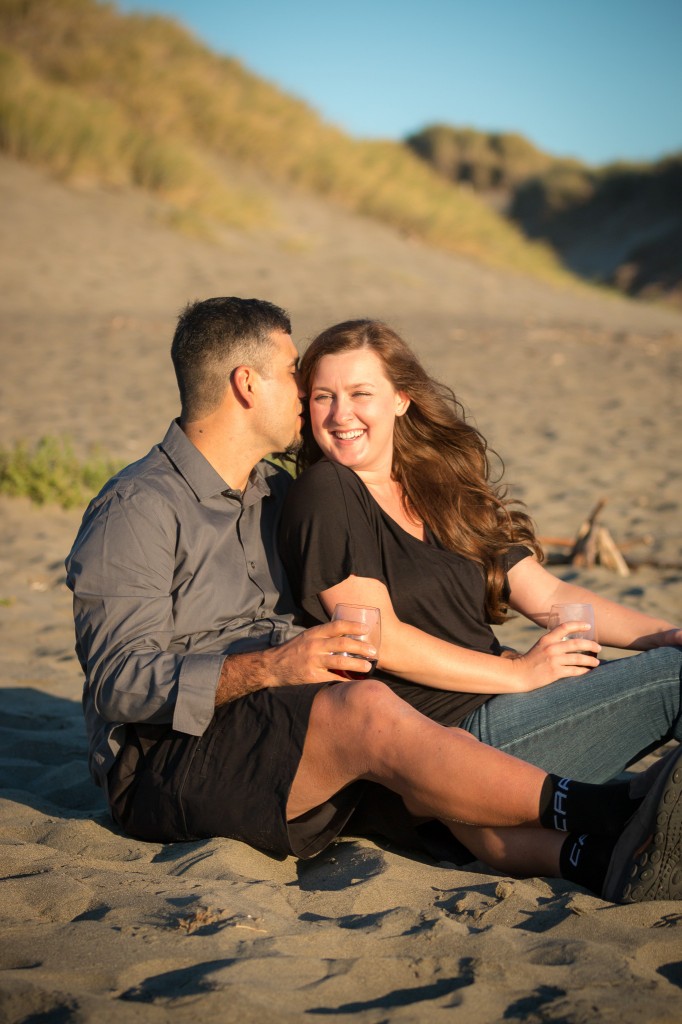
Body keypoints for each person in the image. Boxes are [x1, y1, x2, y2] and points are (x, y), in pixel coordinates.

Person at [65, 297, 682, 906]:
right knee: (367, 709)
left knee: (412, 759)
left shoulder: (272, 490)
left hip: (295, 725)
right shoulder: (139, 509)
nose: (310, 398)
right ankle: (611, 809)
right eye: (295, 377)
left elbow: (531, 594)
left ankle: (603, 856)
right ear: (247, 384)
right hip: (170, 760)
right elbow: (118, 681)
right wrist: (275, 667)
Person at [279, 317, 682, 792]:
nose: (340, 414)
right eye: (324, 396)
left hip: (509, 704)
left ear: (401, 400)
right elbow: (380, 640)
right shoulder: (327, 491)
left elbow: (548, 593)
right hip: (451, 737)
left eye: (361, 393)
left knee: (667, 664)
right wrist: (519, 671)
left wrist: (663, 634)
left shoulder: (440, 486)